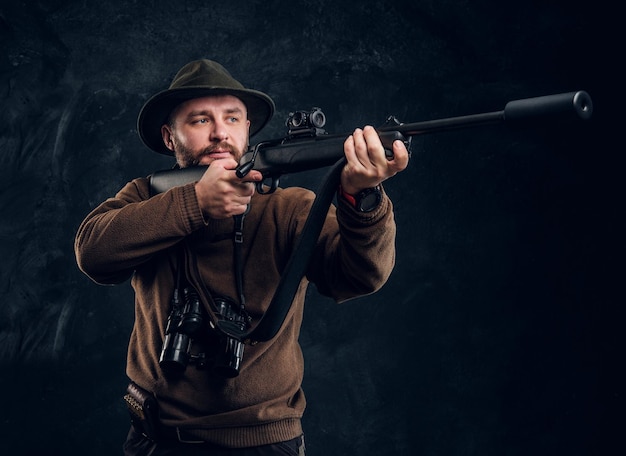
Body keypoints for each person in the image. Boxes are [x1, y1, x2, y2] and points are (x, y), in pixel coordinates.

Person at [74, 59, 409, 455]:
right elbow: (93, 252)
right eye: (200, 121)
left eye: (232, 118)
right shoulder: (146, 196)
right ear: (169, 137)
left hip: (262, 443)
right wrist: (194, 202)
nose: (219, 133)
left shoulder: (290, 208)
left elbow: (361, 276)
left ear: (248, 130)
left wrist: (362, 197)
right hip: (154, 439)